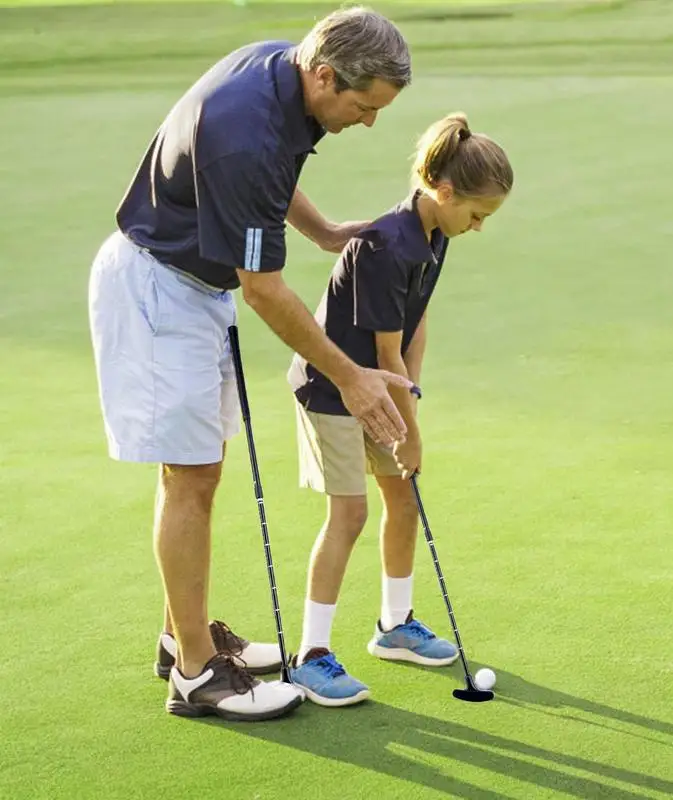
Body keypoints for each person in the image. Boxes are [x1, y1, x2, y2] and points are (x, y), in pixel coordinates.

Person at [87, 7, 416, 722]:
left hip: (192, 289)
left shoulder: (282, 71)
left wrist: (323, 230)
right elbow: (265, 290)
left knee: (199, 470)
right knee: (191, 475)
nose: (367, 123)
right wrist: (353, 379)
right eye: (363, 107)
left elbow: (270, 179)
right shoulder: (246, 131)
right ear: (325, 74)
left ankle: (187, 634)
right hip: (156, 290)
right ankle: (197, 674)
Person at [286, 113, 513, 706]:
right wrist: (408, 435)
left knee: (403, 499)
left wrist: (413, 398)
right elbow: (384, 351)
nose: (479, 227)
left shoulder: (436, 234)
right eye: (477, 215)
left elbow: (415, 327)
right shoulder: (389, 244)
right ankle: (310, 654)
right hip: (331, 388)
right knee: (351, 513)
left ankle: (394, 627)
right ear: (445, 191)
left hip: (379, 382)